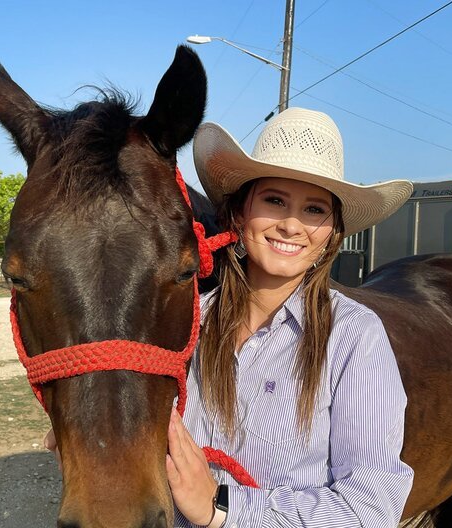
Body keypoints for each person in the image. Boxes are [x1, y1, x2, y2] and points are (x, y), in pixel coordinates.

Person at [48, 107, 414, 527]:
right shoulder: (188, 323)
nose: (292, 225)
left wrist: (220, 508)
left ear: (332, 232)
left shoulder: (354, 337)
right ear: (239, 214)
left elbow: (371, 508)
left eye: (315, 210)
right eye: (275, 201)